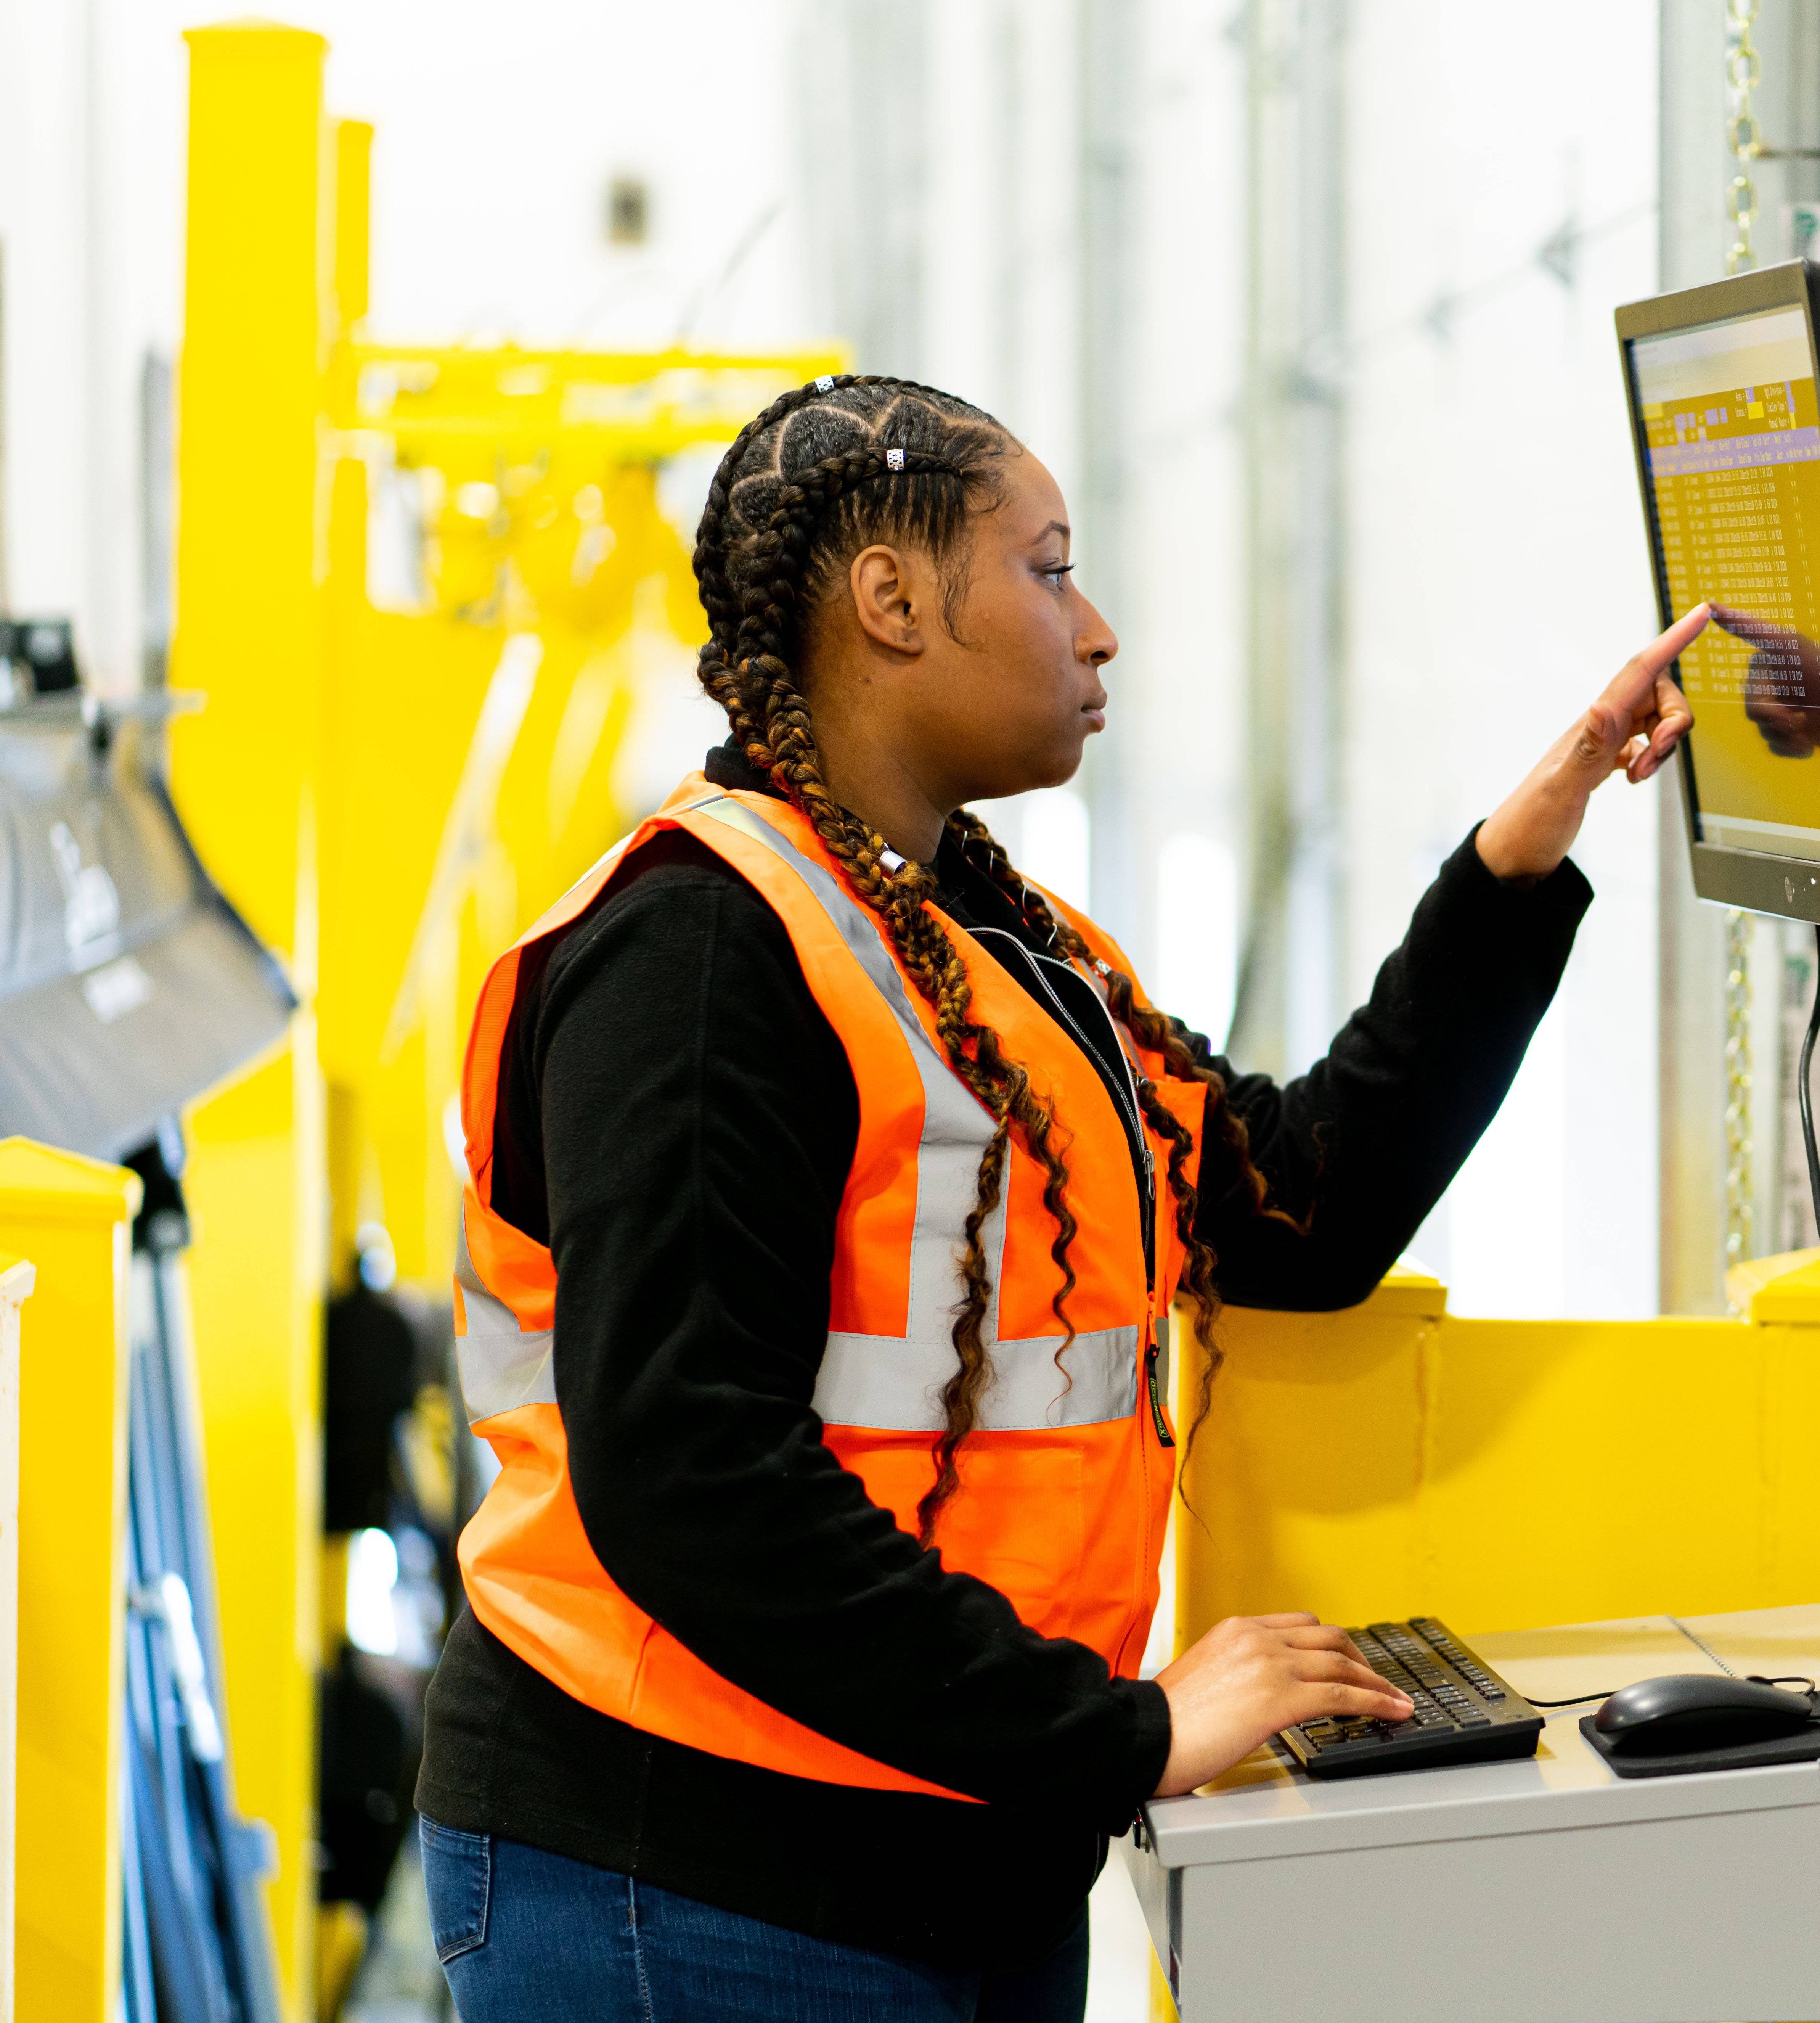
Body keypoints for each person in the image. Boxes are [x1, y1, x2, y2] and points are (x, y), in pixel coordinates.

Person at [415, 373, 1705, 2022]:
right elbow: (692, 1483)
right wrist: (1130, 1736)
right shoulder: (697, 959)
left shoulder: (985, 942)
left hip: (954, 1842)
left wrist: (1522, 857)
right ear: (890, 603)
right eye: (1045, 568)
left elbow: (1294, 1213)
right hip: (692, 1879)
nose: (1094, 630)